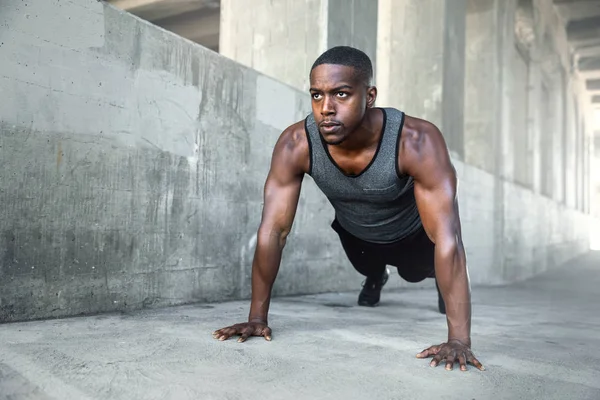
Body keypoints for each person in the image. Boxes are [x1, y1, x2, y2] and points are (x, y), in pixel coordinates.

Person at [213, 46, 484, 372]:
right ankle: (376, 277)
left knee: (417, 272)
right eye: (316, 95)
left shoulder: (415, 140)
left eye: (341, 94)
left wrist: (459, 340)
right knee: (366, 266)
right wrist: (256, 318)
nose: (326, 108)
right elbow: (274, 230)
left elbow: (448, 238)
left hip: (412, 236)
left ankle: (440, 284)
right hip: (357, 233)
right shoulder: (296, 144)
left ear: (369, 96)